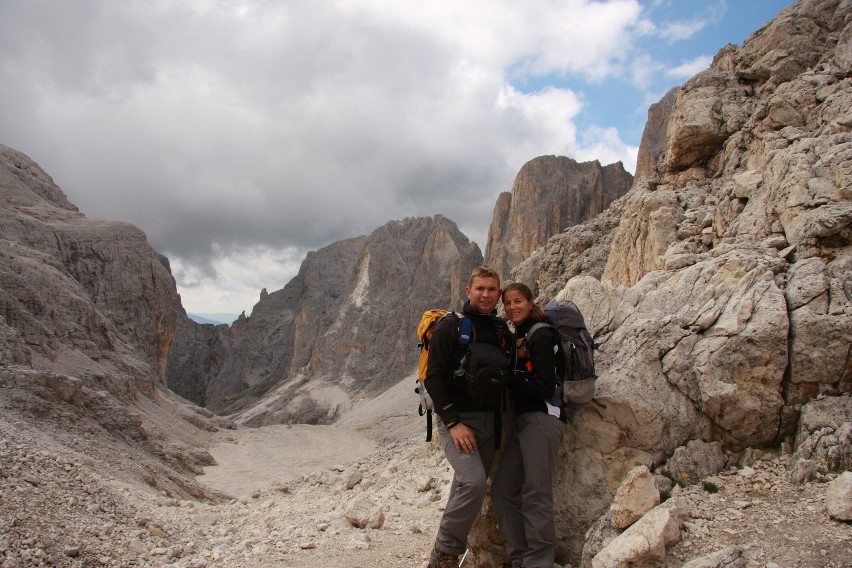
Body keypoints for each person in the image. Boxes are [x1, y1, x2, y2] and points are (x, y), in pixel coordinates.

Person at [424, 265, 512, 568]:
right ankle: (445, 553)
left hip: (491, 423)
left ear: (499, 293)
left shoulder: (501, 330)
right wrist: (453, 423)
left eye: (492, 289)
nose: (486, 295)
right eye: (480, 289)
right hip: (458, 422)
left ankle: (442, 560)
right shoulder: (451, 326)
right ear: (468, 291)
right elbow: (433, 378)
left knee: (465, 487)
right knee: (473, 484)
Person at [492, 282, 566, 568]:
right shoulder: (519, 336)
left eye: (518, 301)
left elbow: (545, 386)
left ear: (531, 302)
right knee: (502, 490)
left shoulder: (542, 334)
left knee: (536, 493)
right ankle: (520, 557)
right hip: (523, 422)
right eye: (507, 303)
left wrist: (508, 379)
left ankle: (539, 561)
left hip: (543, 419)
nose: (512, 308)